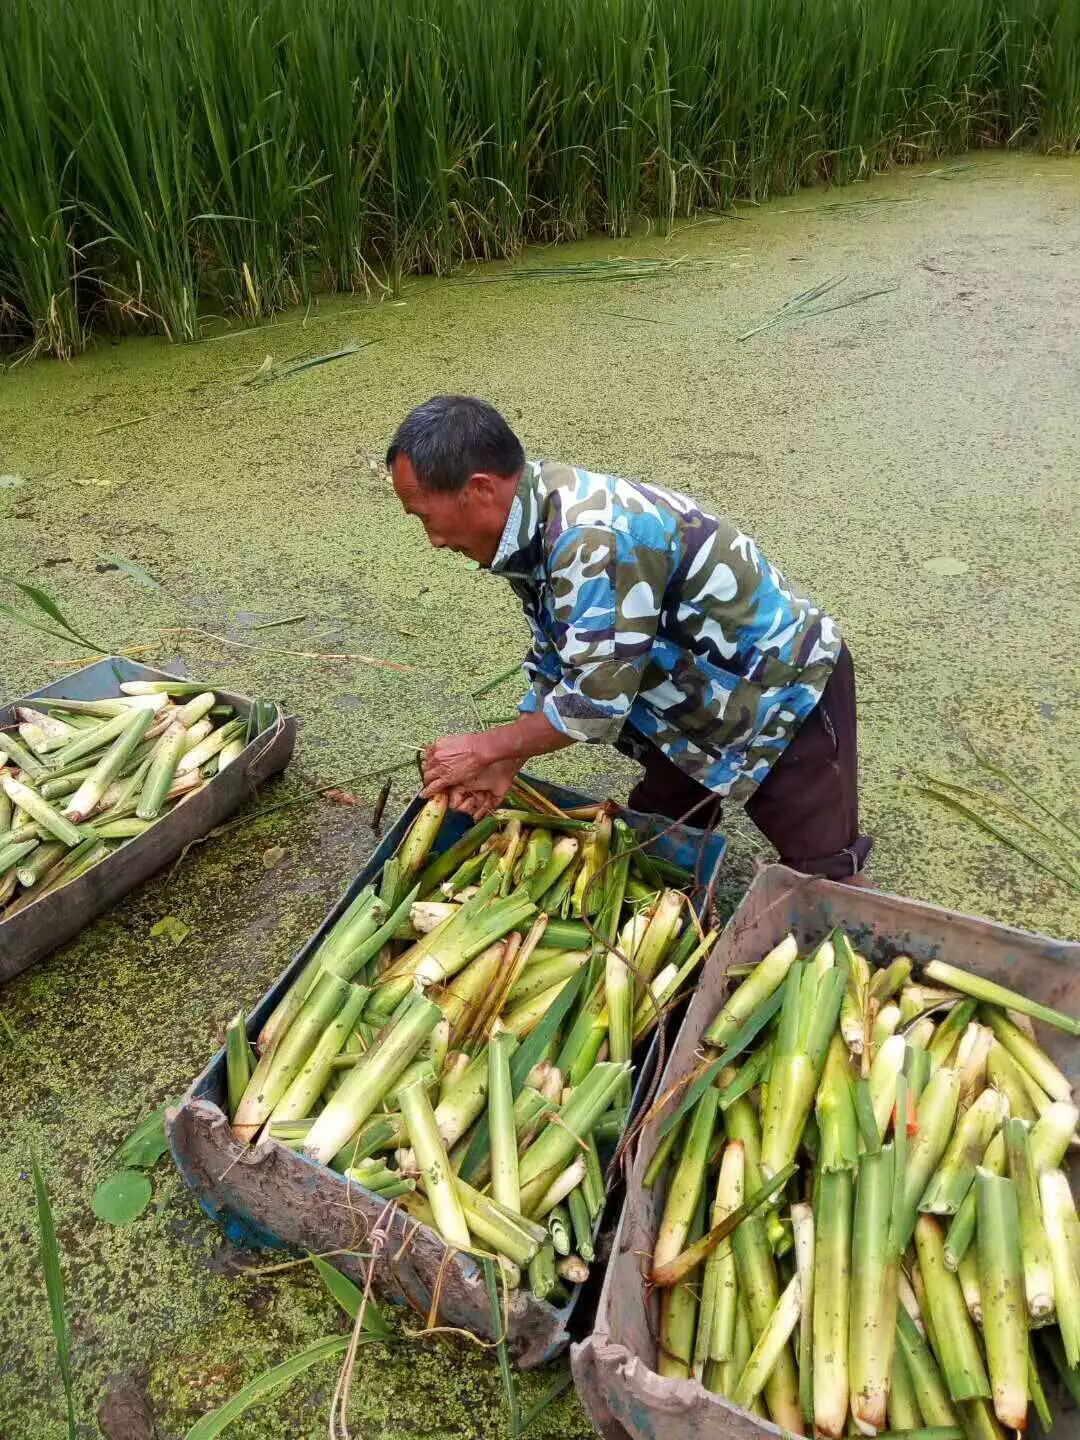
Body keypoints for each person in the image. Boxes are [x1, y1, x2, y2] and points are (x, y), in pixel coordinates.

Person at [387, 394, 872, 882]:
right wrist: (507, 760)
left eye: (425, 516)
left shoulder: (591, 540)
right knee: (658, 834)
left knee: (824, 876)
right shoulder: (525, 524)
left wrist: (485, 748)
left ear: (480, 489)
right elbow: (558, 657)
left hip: (779, 689)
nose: (433, 539)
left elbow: (596, 705)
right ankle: (683, 891)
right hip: (680, 696)